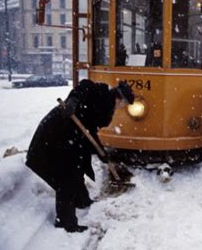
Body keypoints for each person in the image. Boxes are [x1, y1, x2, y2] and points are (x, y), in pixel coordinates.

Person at [26, 80, 135, 232]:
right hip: (53, 135)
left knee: (77, 168)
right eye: (124, 104)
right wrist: (73, 101)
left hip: (68, 137)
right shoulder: (100, 93)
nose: (122, 107)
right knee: (67, 178)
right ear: (120, 99)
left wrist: (101, 153)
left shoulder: (105, 104)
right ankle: (65, 222)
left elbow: (90, 130)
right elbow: (84, 86)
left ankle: (82, 201)